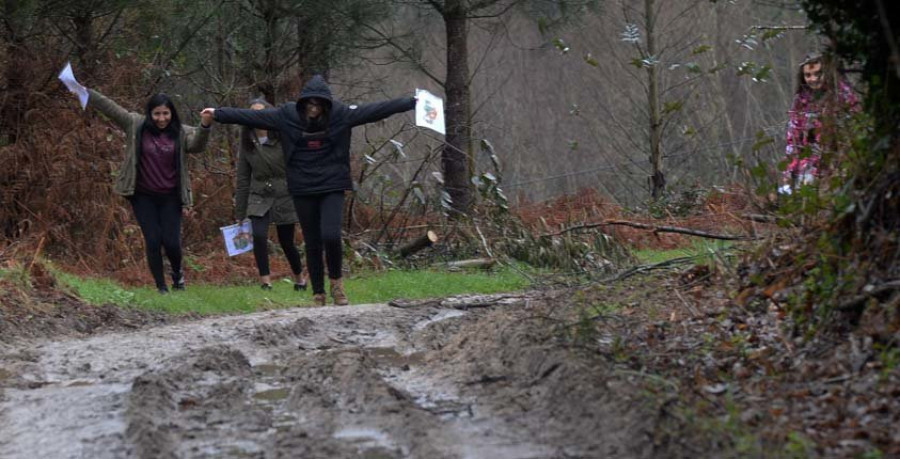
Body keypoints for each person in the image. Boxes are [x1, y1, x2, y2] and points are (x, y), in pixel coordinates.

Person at [203, 75, 415, 305]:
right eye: (309, 104)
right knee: (312, 240)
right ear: (303, 103)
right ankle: (318, 292)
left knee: (331, 235)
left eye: (318, 104)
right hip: (303, 186)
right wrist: (218, 113)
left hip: (332, 184)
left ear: (326, 104)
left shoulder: (340, 115)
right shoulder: (287, 116)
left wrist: (411, 102)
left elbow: (376, 110)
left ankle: (336, 283)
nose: (313, 108)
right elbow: (253, 116)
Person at [87, 88, 212, 293]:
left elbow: (197, 145)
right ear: (149, 114)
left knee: (171, 242)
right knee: (153, 239)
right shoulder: (135, 124)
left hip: (171, 196)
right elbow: (109, 107)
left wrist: (205, 125)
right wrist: (84, 92)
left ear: (171, 114)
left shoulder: (182, 132)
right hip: (143, 195)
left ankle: (177, 274)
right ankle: (161, 287)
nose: (161, 119)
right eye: (157, 114)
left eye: (165, 114)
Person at [236, 98, 307, 291]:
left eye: (262, 112)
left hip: (284, 194)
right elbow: (243, 178)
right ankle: (265, 282)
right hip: (259, 194)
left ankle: (299, 278)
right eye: (253, 114)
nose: (257, 118)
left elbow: (297, 165)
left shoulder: (283, 138)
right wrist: (240, 213)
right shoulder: (247, 143)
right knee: (258, 236)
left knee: (286, 241)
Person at [783, 53, 859, 190]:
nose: (813, 79)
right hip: (809, 162)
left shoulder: (842, 94)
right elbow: (793, 138)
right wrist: (789, 169)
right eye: (808, 75)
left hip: (840, 158)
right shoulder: (801, 100)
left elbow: (856, 126)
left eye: (818, 74)